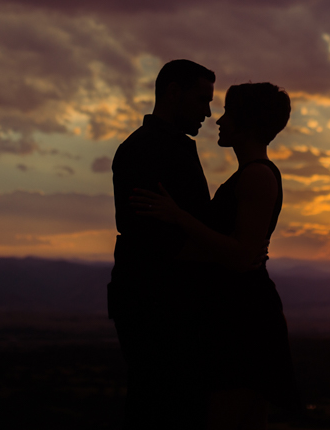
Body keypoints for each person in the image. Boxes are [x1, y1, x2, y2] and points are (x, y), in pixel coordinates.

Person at [132, 82, 297, 430]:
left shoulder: (256, 177)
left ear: (247, 123)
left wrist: (178, 216)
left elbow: (242, 255)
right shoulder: (251, 175)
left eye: (228, 114)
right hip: (236, 312)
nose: (218, 121)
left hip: (245, 317)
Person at [108, 59, 217, 430]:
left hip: (165, 302)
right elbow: (152, 237)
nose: (208, 112)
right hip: (159, 305)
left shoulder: (169, 146)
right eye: (202, 100)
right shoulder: (146, 150)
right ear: (173, 92)